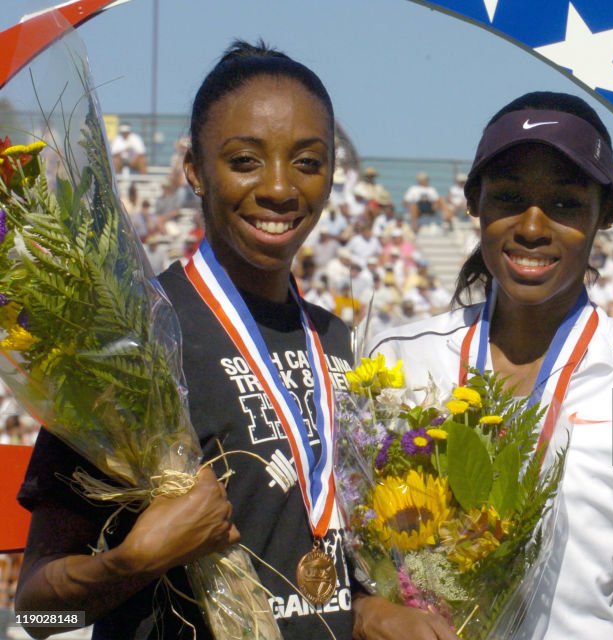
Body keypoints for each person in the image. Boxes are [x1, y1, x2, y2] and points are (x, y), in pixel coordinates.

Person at [14, 41, 387, 640]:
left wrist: (366, 610)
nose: (279, 188)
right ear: (194, 170)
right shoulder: (126, 340)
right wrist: (131, 562)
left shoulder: (337, 340)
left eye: (307, 162)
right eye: (245, 161)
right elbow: (36, 613)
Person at [368, 91, 613, 639]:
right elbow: (350, 568)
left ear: (607, 214)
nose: (531, 226)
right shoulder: (396, 359)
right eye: (507, 197)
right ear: (474, 202)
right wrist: (371, 614)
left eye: (566, 203)